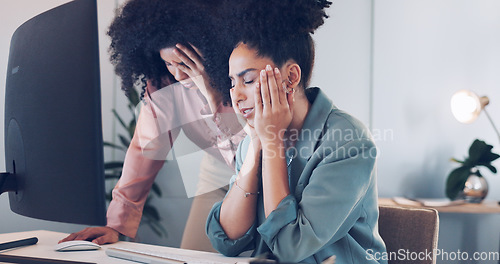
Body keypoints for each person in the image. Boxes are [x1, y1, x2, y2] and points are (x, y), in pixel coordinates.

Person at [206, 0, 387, 263]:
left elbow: (291, 247)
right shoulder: (252, 142)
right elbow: (228, 239)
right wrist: (258, 141)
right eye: (232, 83)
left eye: (248, 80)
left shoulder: (348, 142)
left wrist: (271, 144)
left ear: (291, 77)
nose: (236, 96)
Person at [60, 0, 244, 252]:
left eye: (185, 63)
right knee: (193, 255)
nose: (179, 75)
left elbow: (252, 148)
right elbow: (144, 149)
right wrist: (117, 225)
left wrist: (211, 93)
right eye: (169, 63)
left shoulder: (244, 74)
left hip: (266, 169)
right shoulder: (164, 85)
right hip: (217, 173)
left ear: (212, 48)